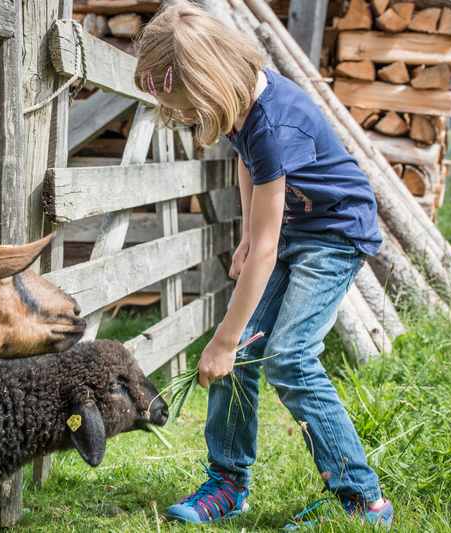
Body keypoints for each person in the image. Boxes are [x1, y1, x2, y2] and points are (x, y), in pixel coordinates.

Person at [133, 1, 393, 529]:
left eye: (185, 107)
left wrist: (223, 338)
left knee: (288, 357)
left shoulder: (275, 123)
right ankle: (228, 483)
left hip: (335, 235)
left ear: (208, 82)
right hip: (295, 228)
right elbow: (246, 163)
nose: (183, 117)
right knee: (245, 350)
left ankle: (361, 500)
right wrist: (249, 235)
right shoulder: (243, 102)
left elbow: (269, 223)